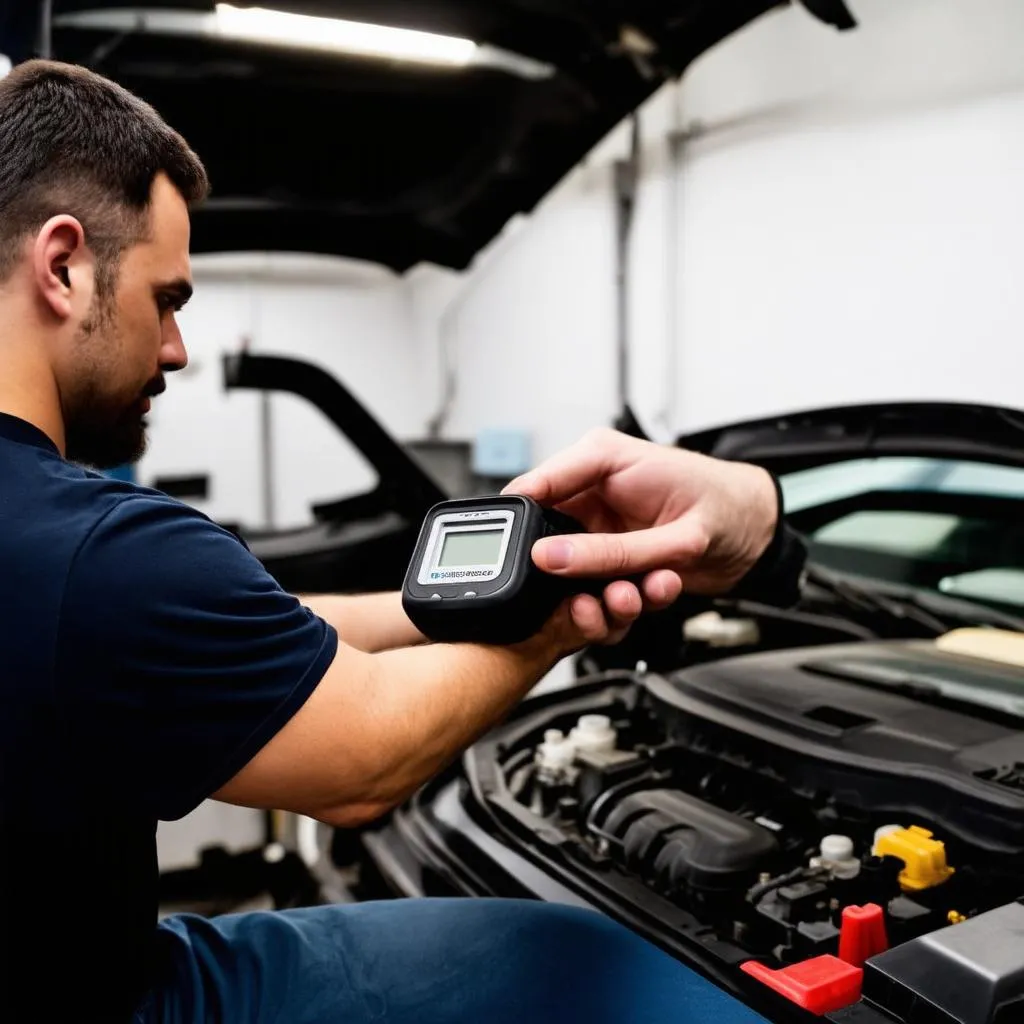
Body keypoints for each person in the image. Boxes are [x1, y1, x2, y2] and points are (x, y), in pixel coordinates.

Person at [0, 60, 803, 1024]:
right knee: (577, 966)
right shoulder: (90, 547)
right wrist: (562, 606)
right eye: (167, 299)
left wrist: (463, 598)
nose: (175, 347)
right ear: (63, 265)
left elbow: (278, 628)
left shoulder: (61, 560)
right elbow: (366, 761)